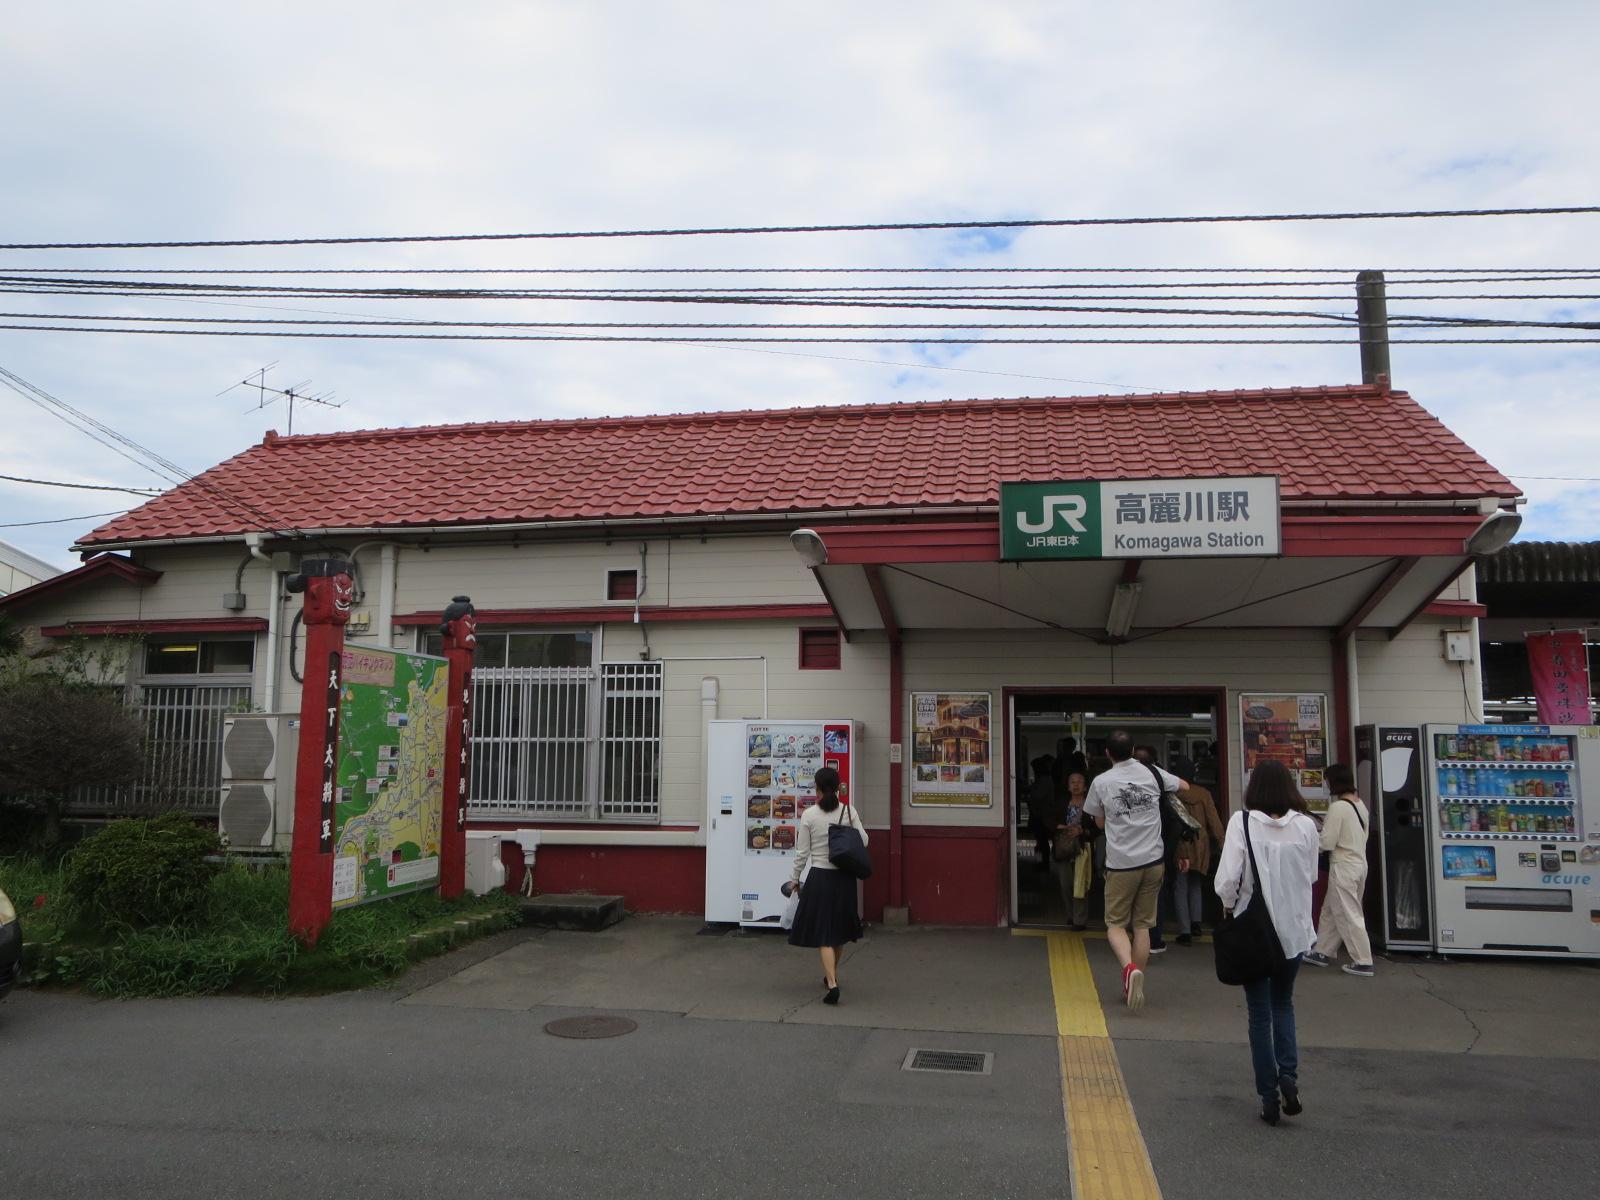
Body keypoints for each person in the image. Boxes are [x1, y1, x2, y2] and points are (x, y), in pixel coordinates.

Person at [1214, 759, 1320, 1125]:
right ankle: (1289, 1077)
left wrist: (1229, 907)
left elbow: (1227, 879)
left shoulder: (1242, 823)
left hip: (1254, 933)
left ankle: (1268, 1097)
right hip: (1294, 932)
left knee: (1259, 1015)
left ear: (1253, 788)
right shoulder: (1307, 826)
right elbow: (1312, 875)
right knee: (1283, 1005)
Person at [1083, 730, 1190, 1011]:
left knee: (1116, 925)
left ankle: (1130, 969)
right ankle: (1133, 982)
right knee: (1143, 925)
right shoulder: (1152, 773)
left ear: (1107, 754)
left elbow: (1098, 824)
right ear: (1132, 750)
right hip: (1153, 862)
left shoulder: (1101, 781)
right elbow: (1185, 787)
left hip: (1121, 864)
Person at [786, 766, 867, 1005]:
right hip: (844, 878)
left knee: (823, 934)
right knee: (838, 933)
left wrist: (794, 878)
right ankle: (831, 975)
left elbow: (802, 852)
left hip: (819, 878)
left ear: (818, 787)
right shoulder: (848, 811)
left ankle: (832, 984)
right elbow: (864, 839)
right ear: (838, 786)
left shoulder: (809, 815)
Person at [1303, 763, 1375, 976]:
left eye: (1327, 780)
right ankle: (1322, 951)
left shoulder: (1338, 807)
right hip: (1359, 864)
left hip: (1343, 865)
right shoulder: (1359, 804)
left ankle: (1363, 960)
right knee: (1331, 910)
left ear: (1334, 781)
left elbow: (1327, 843)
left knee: (1347, 913)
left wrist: (1313, 835)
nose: (1325, 784)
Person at [1166, 754, 1226, 944]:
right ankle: (1196, 923)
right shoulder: (1204, 794)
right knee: (1195, 884)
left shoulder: (1172, 794)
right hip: (1201, 845)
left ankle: (1184, 930)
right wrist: (1223, 842)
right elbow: (1214, 821)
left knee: (1180, 886)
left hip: (1182, 845)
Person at [1059, 768, 1100, 930]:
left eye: (1079, 782)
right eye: (1072, 782)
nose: (1076, 785)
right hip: (1064, 849)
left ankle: (1079, 920)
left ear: (1085, 787)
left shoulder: (1091, 805)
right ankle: (1070, 914)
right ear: (1068, 786)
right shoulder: (1062, 803)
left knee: (1081, 883)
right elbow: (1050, 820)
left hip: (1083, 849)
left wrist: (1082, 830)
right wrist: (1060, 827)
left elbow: (1098, 828)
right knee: (1065, 883)